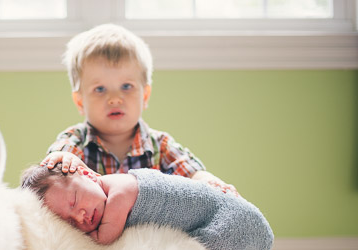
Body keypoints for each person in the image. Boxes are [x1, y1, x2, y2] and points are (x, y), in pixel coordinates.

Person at [42, 23, 236, 193]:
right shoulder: (76, 140)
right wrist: (63, 161)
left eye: (126, 87)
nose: (115, 99)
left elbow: (192, 172)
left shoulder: (160, 145)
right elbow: (58, 158)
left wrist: (210, 181)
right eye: (100, 89)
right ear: (80, 102)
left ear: (144, 96)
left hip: (150, 232)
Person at [20, 163, 273, 250]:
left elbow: (104, 241)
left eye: (75, 200)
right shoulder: (101, 198)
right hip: (216, 223)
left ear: (87, 174)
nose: (81, 216)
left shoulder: (121, 188)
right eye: (69, 222)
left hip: (228, 218)